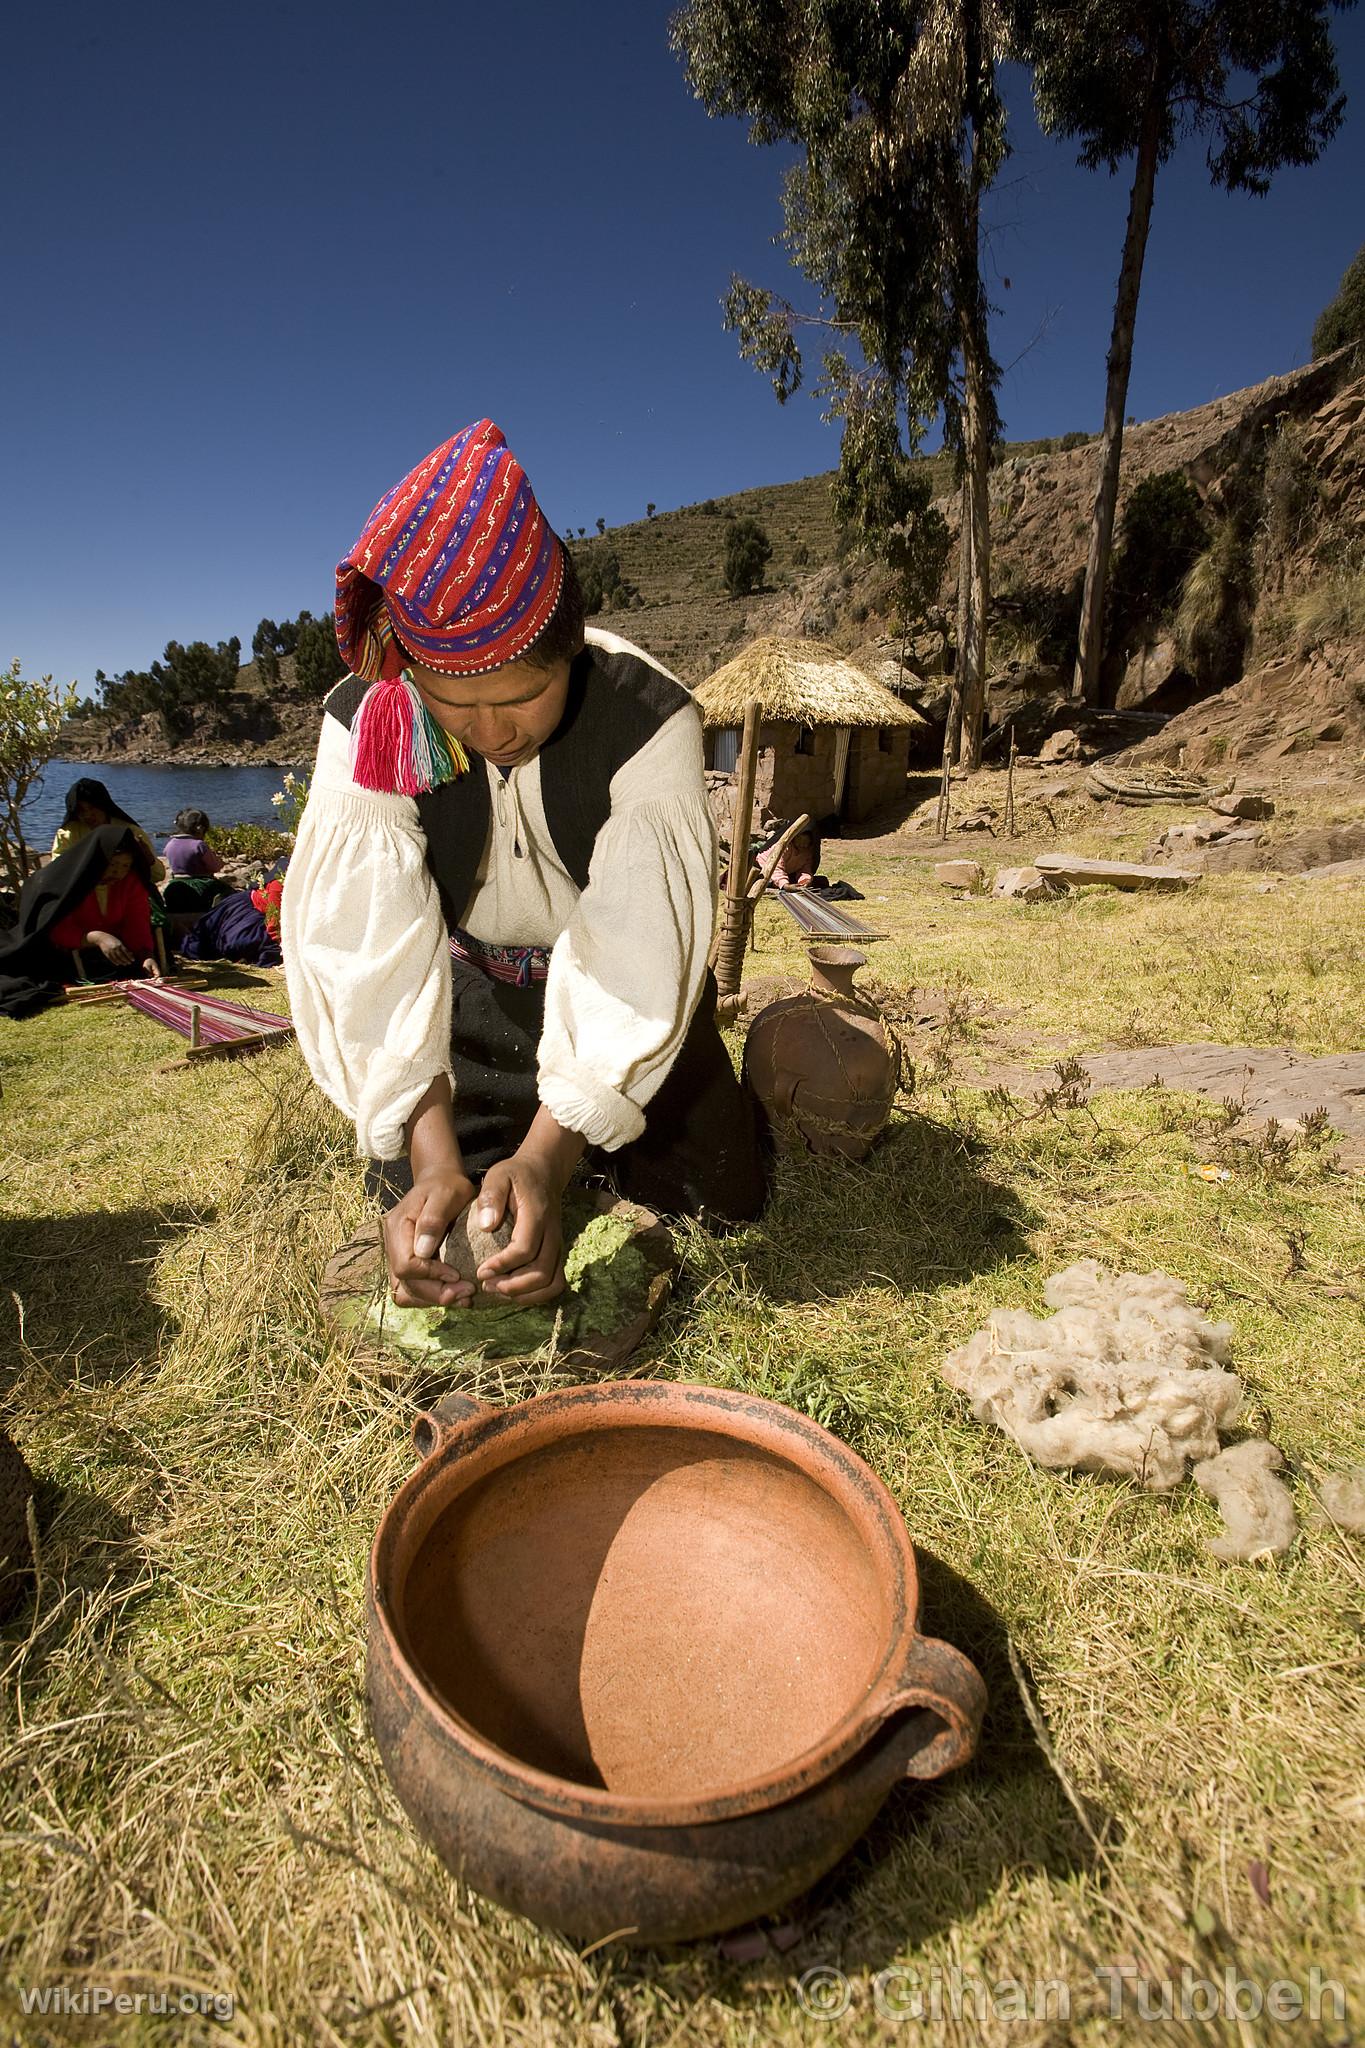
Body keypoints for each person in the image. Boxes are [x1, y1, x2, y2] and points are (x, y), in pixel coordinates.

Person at [285, 418, 766, 1313]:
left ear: (571, 648)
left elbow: (636, 958)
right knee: (430, 1222)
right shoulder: (369, 721)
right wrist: (429, 1154)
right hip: (464, 1011)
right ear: (413, 673)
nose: (492, 732)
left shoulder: (648, 718)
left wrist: (548, 1156)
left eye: (522, 697)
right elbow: (367, 947)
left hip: (624, 1006)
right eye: (453, 705)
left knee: (721, 1201)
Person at [0, 826, 161, 1013]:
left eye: (125, 865)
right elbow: (53, 928)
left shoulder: (130, 883)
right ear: (98, 860)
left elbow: (137, 922)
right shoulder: (71, 883)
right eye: (113, 864)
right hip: (60, 950)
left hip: (104, 952)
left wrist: (145, 955)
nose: (118, 872)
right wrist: (96, 937)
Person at [51, 778, 166, 883]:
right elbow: (57, 872)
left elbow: (158, 876)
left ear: (103, 805)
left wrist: (149, 860)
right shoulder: (68, 833)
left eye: (92, 808)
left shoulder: (130, 831)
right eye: (81, 810)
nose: (87, 815)